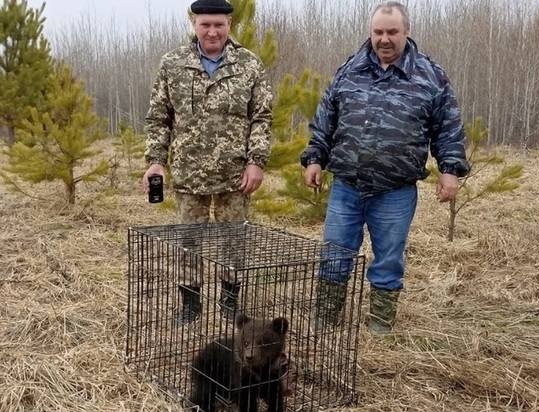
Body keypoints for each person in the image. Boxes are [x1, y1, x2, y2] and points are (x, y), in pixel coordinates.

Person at [301, 1, 470, 335]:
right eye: (378, 32)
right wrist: (315, 157)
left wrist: (449, 170)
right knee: (334, 255)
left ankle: (380, 324)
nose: (385, 39)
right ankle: (324, 318)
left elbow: (448, 128)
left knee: (388, 261)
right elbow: (326, 120)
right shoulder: (350, 69)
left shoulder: (429, 75)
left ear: (406, 31)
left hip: (395, 192)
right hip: (347, 186)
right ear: (371, 32)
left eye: (392, 31)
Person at [142, 0, 272, 324]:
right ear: (194, 24)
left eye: (219, 24)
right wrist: (156, 161)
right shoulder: (172, 63)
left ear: (229, 24)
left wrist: (256, 161)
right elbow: (159, 118)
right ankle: (191, 304)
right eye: (205, 24)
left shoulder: (249, 63)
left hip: (234, 172)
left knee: (233, 238)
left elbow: (261, 117)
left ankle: (229, 301)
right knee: (188, 239)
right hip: (189, 173)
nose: (212, 31)